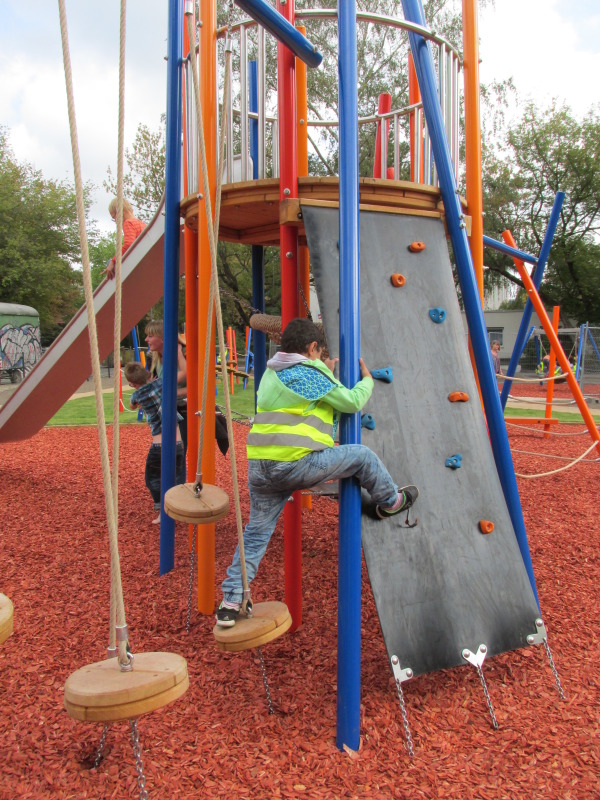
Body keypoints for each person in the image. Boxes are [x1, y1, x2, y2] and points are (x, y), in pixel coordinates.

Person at [216, 317, 419, 627]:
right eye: (320, 354)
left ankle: (230, 601)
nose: (323, 360)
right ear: (312, 349)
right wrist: (367, 381)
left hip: (260, 469)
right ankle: (391, 501)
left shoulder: (271, 373)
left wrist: (326, 373)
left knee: (255, 535)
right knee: (362, 456)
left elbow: (314, 410)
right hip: (294, 465)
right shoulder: (307, 372)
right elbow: (350, 402)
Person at [124, 362, 185, 523]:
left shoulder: (136, 395)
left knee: (152, 478)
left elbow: (132, 405)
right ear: (148, 375)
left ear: (133, 383)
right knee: (177, 477)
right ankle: (177, 508)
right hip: (179, 443)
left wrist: (136, 392)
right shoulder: (160, 383)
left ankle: (163, 509)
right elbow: (184, 373)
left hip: (160, 445)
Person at [103, 198, 146, 280]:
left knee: (109, 262)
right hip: (142, 257)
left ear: (120, 212)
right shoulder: (141, 223)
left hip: (134, 260)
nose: (115, 221)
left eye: (114, 217)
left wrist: (113, 261)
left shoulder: (128, 223)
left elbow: (129, 244)